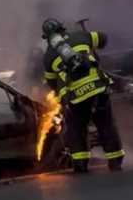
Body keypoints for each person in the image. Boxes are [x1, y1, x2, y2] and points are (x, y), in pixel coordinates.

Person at [40, 18, 125, 172]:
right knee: (105, 124)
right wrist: (90, 43)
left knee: (77, 129)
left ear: (46, 37)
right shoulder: (80, 36)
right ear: (62, 29)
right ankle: (115, 161)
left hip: (75, 97)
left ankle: (80, 164)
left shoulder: (48, 57)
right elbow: (103, 38)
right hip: (98, 89)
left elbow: (52, 83)